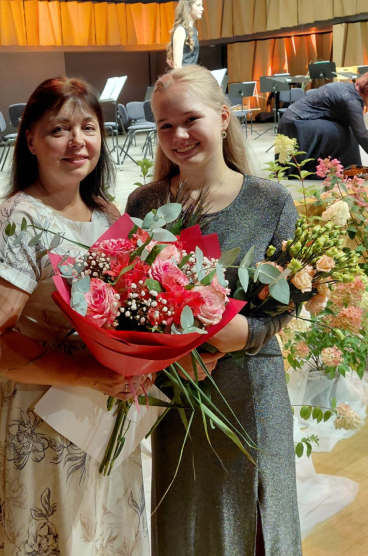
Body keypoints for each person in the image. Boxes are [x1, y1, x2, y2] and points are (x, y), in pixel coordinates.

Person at [0, 77, 150, 556]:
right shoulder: (18, 220)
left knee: (107, 535)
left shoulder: (106, 213)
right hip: (44, 422)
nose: (77, 141)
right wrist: (84, 372)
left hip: (105, 415)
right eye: (59, 129)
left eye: (88, 127)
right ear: (30, 139)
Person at [126, 65, 302, 556]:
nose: (178, 136)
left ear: (223, 118)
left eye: (190, 120)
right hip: (180, 396)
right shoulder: (145, 204)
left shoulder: (270, 201)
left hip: (252, 391)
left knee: (258, 522)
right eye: (165, 125)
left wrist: (245, 334)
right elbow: (128, 307)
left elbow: (289, 298)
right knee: (189, 521)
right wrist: (169, 362)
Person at [278, 74, 368, 174]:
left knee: (348, 129)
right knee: (335, 132)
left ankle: (347, 169)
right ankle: (322, 170)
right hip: (296, 122)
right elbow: (361, 134)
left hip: (301, 118)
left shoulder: (350, 90)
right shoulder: (352, 100)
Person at [166, 0, 203, 68]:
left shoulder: (194, 31)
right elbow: (177, 65)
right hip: (185, 74)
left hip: (192, 73)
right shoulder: (181, 30)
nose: (202, 9)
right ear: (188, 7)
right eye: (198, 5)